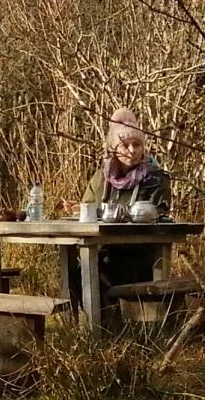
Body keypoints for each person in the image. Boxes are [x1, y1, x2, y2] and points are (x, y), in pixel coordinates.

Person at [72, 107, 171, 309]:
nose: (132, 150)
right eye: (125, 145)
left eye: (137, 144)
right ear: (114, 148)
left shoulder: (155, 178)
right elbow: (88, 207)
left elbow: (156, 214)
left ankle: (111, 328)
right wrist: (78, 209)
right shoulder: (102, 177)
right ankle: (99, 329)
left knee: (103, 270)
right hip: (103, 248)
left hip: (140, 251)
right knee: (73, 270)